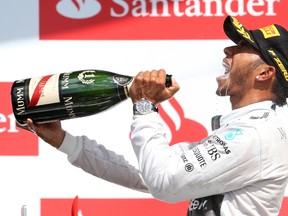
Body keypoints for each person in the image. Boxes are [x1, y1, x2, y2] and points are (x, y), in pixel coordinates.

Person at [22, 16, 288, 215]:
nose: (227, 51)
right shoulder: (249, 130)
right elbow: (147, 174)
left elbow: (163, 182)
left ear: (264, 73)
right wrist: (63, 140)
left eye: (241, 46)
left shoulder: (254, 137)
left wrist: (146, 105)